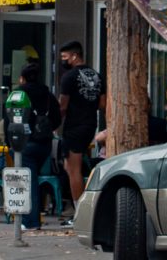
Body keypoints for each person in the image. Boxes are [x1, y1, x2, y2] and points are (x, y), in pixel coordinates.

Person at [3, 63, 62, 230]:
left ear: (22, 78)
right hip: (44, 144)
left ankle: (30, 222)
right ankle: (35, 215)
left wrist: (10, 143)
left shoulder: (18, 94)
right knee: (34, 179)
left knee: (27, 181)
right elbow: (57, 118)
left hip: (23, 143)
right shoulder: (48, 94)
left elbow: (8, 119)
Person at [58, 40, 105, 225]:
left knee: (73, 170)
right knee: (70, 167)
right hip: (90, 125)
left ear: (74, 55)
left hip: (74, 126)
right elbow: (102, 104)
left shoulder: (69, 77)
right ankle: (84, 209)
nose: (63, 60)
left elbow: (63, 106)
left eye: (64, 57)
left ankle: (81, 214)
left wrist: (54, 121)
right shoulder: (97, 75)